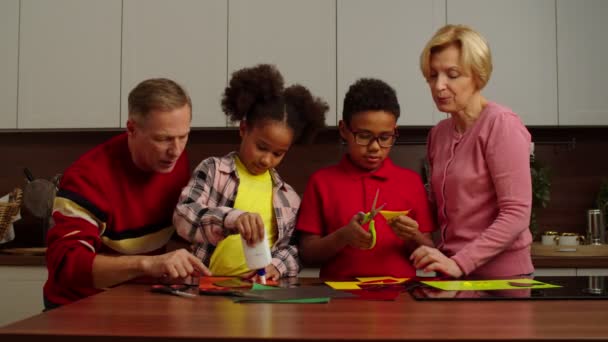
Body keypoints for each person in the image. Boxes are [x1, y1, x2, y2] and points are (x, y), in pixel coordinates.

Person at [44, 78, 210, 309]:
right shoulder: (87, 178)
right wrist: (148, 265)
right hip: (77, 306)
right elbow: (67, 267)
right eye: (163, 139)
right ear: (131, 128)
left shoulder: (174, 162)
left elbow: (175, 233)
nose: (176, 150)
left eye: (184, 136)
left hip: (136, 300)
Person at [173, 64, 327, 281]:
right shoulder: (214, 169)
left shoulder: (288, 197)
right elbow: (183, 217)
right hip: (206, 287)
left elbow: (294, 250)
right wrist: (231, 219)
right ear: (244, 129)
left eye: (278, 153)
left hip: (259, 293)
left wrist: (277, 266)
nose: (267, 159)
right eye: (262, 147)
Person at [411, 24, 534, 278]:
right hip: (454, 274)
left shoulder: (501, 124)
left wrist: (460, 263)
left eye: (452, 74)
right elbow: (439, 207)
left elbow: (516, 214)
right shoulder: (439, 134)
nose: (439, 86)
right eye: (433, 75)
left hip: (501, 280)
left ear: (478, 75)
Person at [296, 78, 436, 278]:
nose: (374, 147)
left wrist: (413, 236)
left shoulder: (411, 182)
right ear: (344, 130)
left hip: (402, 298)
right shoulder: (322, 182)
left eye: (385, 137)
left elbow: (430, 251)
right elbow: (307, 254)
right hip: (339, 299)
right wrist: (343, 236)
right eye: (363, 136)